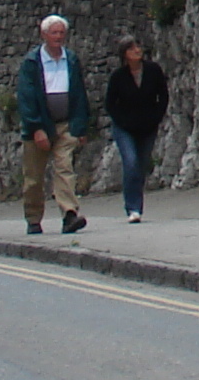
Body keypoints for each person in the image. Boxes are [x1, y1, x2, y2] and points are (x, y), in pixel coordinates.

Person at [15, 13, 92, 235]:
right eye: (54, 33)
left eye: (61, 33)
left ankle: (69, 214)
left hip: (65, 124)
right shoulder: (32, 62)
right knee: (34, 178)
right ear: (44, 34)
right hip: (39, 127)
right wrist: (36, 128)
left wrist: (80, 127)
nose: (58, 37)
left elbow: (79, 94)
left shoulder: (71, 59)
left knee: (64, 168)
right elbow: (26, 97)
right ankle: (33, 218)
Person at [102, 36, 169, 223]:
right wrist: (122, 121)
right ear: (124, 54)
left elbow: (163, 95)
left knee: (140, 165)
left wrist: (156, 117)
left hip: (147, 126)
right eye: (131, 49)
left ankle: (137, 204)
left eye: (138, 47)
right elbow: (110, 104)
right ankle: (133, 207)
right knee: (130, 162)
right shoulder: (118, 77)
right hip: (125, 127)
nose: (137, 51)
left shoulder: (153, 71)